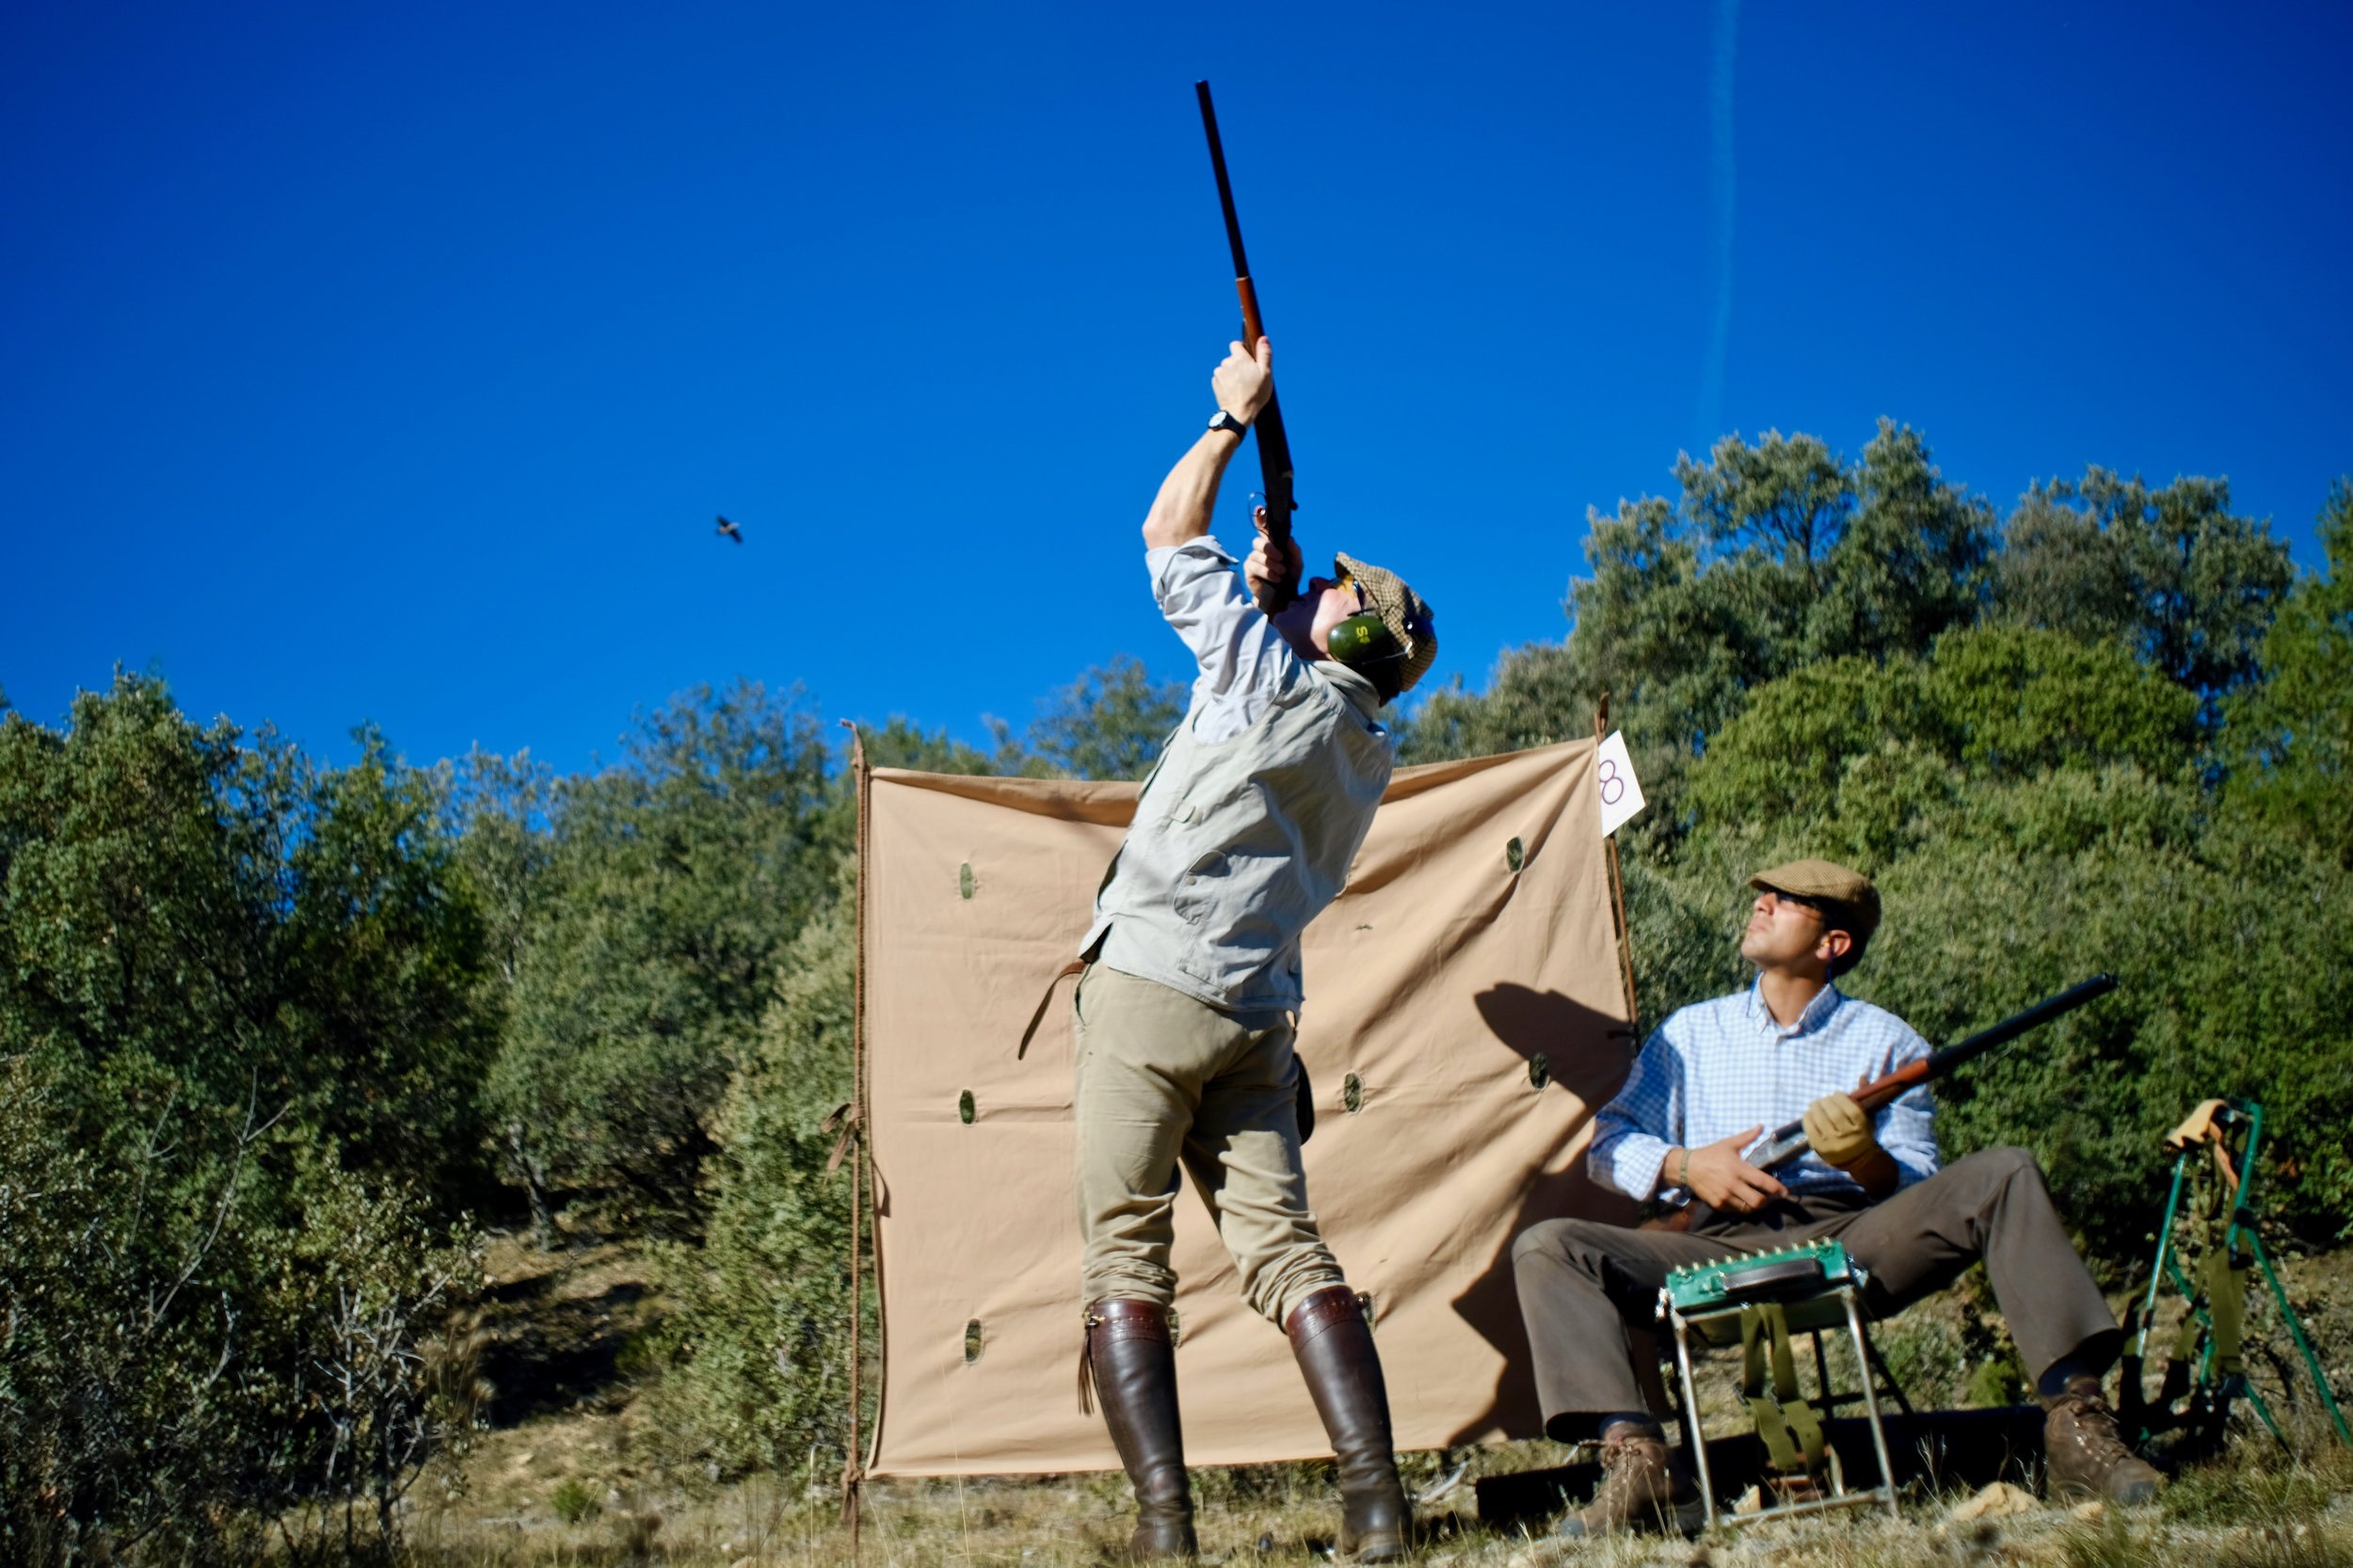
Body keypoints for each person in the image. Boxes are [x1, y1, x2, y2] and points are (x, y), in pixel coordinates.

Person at [1072, 335, 1437, 1563]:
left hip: (1147, 988)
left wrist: (1229, 421)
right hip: (1256, 1015)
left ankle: (1166, 1532)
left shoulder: (1256, 673)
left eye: (1336, 591)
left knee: (1126, 1247)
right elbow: (1280, 649)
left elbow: (1166, 535)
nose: (1321, 586)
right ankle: (1378, 1503)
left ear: (1348, 630)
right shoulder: (1365, 743)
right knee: (1288, 1250)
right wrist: (1277, 583)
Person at [1511, 858, 2159, 1539]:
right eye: (1762, 894)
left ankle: (2077, 1427)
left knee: (2004, 1171)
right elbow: (1606, 1144)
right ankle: (1640, 1464)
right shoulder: (1689, 1034)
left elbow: (1917, 1183)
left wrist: (1863, 1158)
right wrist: (1686, 1164)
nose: (1760, 904)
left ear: (1833, 944)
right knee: (1550, 1246)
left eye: (1785, 900)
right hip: (1708, 1244)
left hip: (1850, 1237)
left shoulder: (1889, 1040)